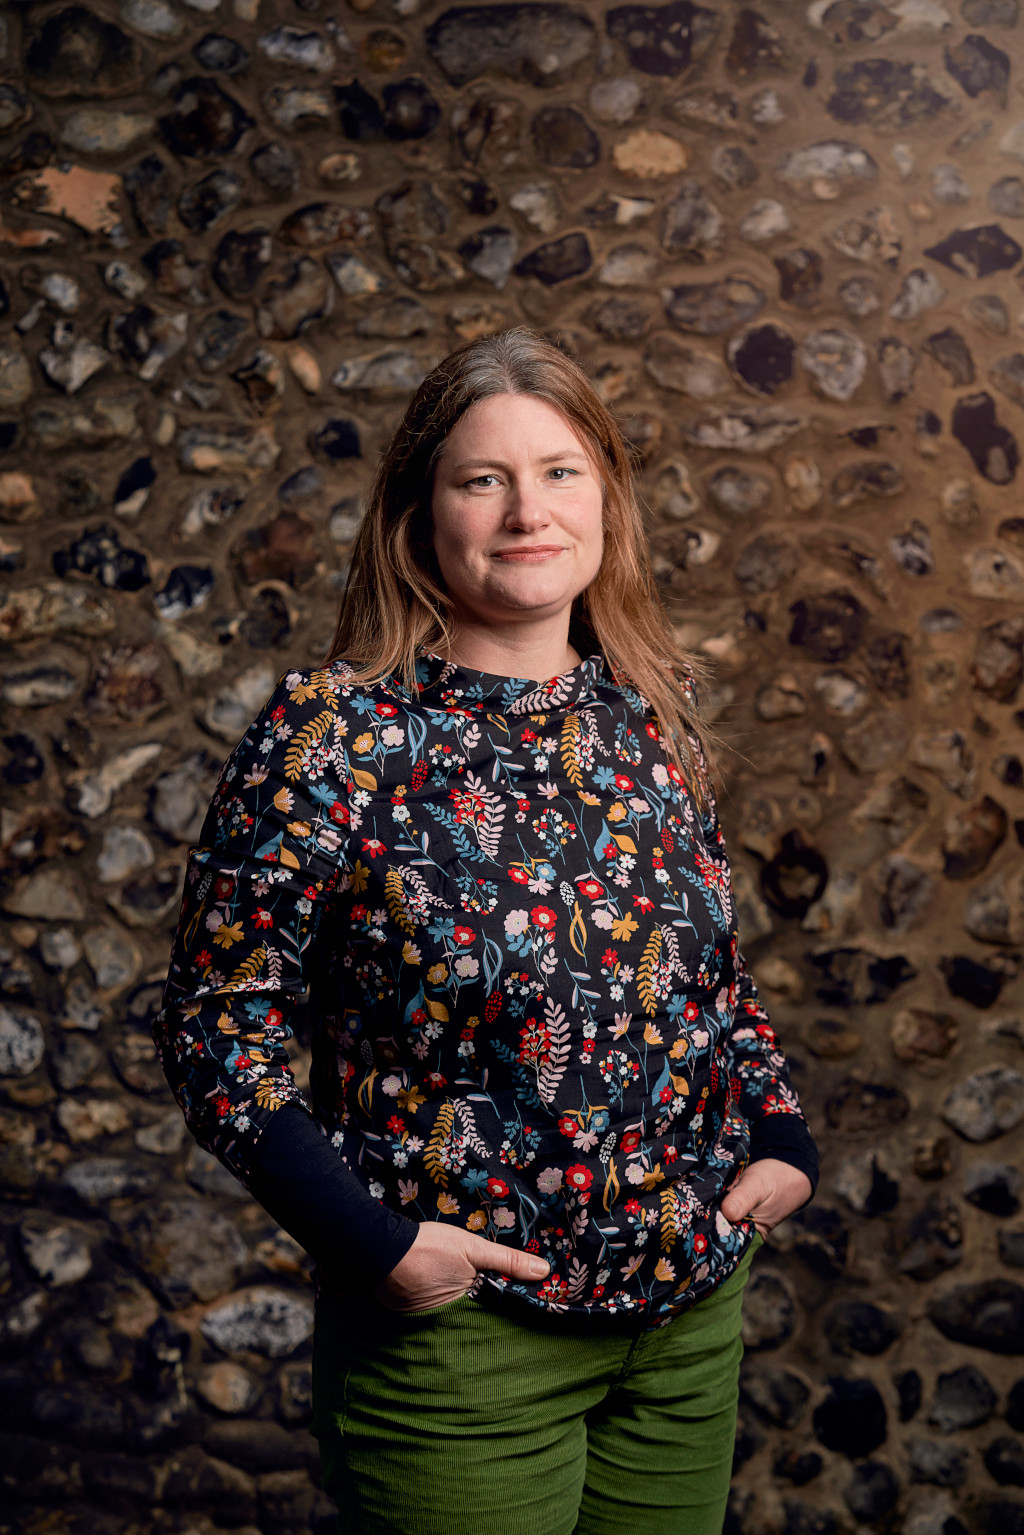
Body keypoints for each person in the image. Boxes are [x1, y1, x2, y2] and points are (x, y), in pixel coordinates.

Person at [154, 327, 818, 1535]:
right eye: (483, 478)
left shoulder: (652, 716)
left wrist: (778, 1131)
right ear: (422, 513)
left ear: (605, 501)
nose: (528, 511)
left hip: (684, 1325)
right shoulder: (334, 734)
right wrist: (375, 1242)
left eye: (560, 472)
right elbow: (216, 1026)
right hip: (461, 1344)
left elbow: (709, 981)